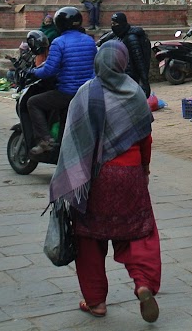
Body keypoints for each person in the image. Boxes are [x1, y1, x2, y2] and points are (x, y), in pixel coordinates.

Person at [51, 42, 160, 322]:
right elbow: (145, 137)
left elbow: (72, 139)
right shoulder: (135, 93)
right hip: (130, 175)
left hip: (94, 178)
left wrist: (70, 178)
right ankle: (143, 283)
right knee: (138, 231)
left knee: (88, 237)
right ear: (123, 63)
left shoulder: (86, 93)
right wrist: (144, 169)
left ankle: (96, 301)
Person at [27, 7, 97, 158]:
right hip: (86, 92)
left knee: (33, 102)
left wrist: (33, 72)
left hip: (67, 92)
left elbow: (49, 70)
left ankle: (45, 140)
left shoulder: (59, 42)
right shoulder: (90, 41)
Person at [106, 12, 153, 97]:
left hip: (132, 78)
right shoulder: (119, 36)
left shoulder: (131, 38)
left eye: (115, 24)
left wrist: (145, 82)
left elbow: (139, 61)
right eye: (112, 24)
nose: (113, 26)